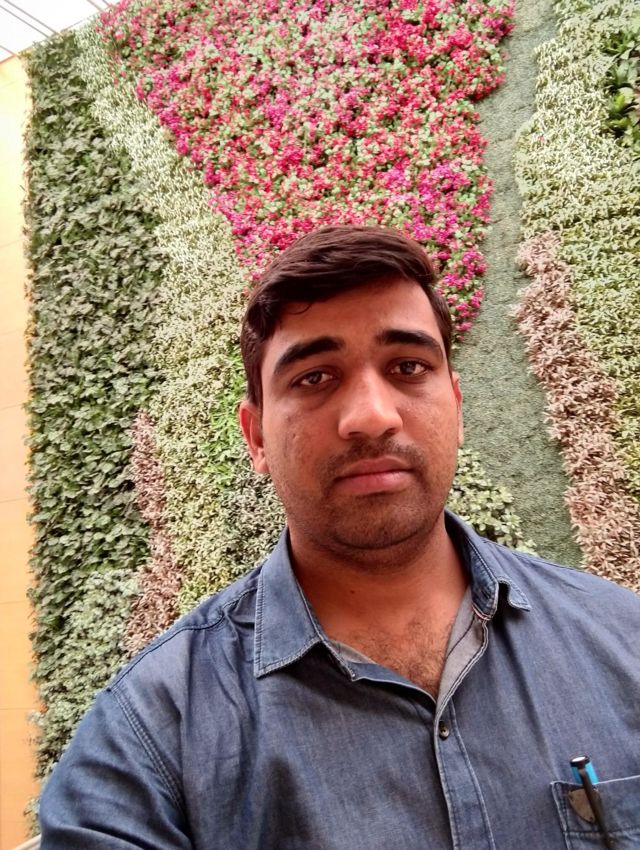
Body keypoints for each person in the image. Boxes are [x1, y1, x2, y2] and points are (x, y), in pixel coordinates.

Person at [40, 226, 640, 849]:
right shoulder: (149, 739)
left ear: (457, 405)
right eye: (315, 377)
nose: (372, 416)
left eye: (408, 367)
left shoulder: (625, 641)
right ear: (257, 437)